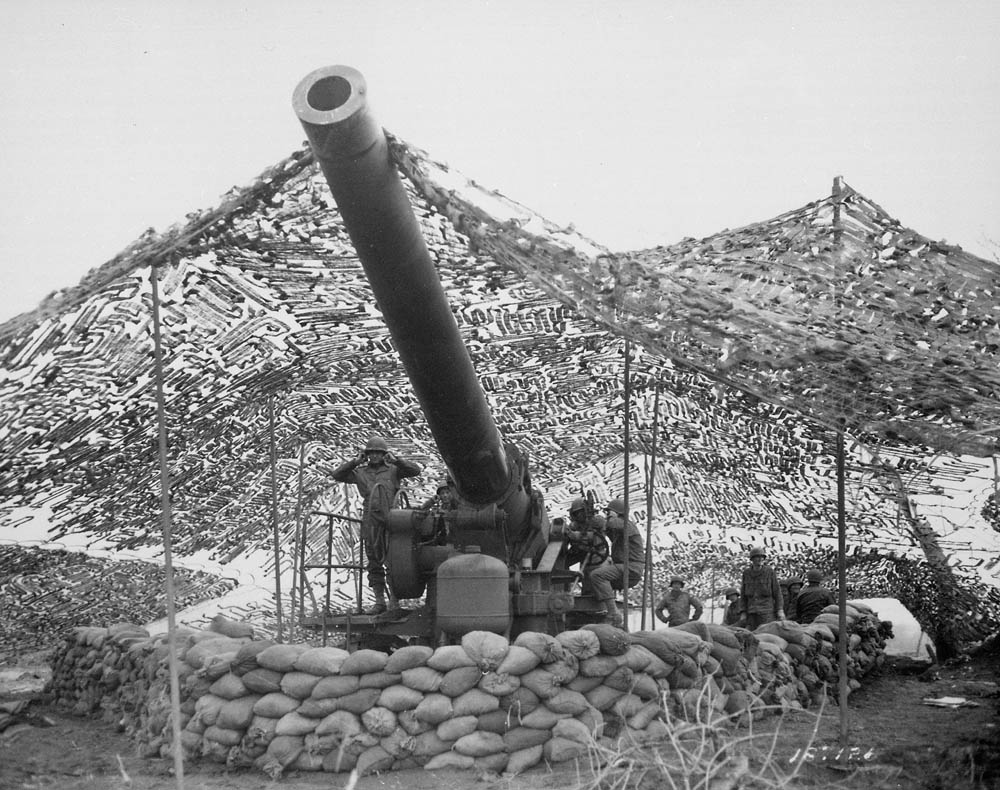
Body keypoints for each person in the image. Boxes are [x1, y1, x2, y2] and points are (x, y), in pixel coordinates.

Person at [331, 435, 422, 614]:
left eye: (378, 453)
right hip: (371, 520)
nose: (374, 456)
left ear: (384, 454)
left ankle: (394, 601)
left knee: (393, 560)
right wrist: (354, 462)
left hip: (392, 518)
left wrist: (398, 461)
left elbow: (415, 471)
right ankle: (379, 600)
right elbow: (337, 475)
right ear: (366, 454)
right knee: (374, 560)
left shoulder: (394, 470)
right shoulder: (360, 472)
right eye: (371, 453)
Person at [587, 498, 644, 627]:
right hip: (626, 566)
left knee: (598, 575)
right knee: (594, 580)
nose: (608, 514)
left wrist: (598, 519)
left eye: (610, 512)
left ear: (619, 513)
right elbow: (604, 531)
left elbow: (609, 524)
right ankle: (612, 619)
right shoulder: (620, 528)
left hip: (631, 567)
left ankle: (613, 613)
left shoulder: (625, 524)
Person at [738, 546, 784, 630]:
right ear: (752, 559)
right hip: (751, 612)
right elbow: (743, 595)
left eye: (762, 557)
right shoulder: (746, 573)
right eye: (757, 557)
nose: (760, 559)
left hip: (767, 613)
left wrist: (780, 610)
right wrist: (743, 612)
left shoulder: (769, 572)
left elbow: (777, 593)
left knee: (766, 635)